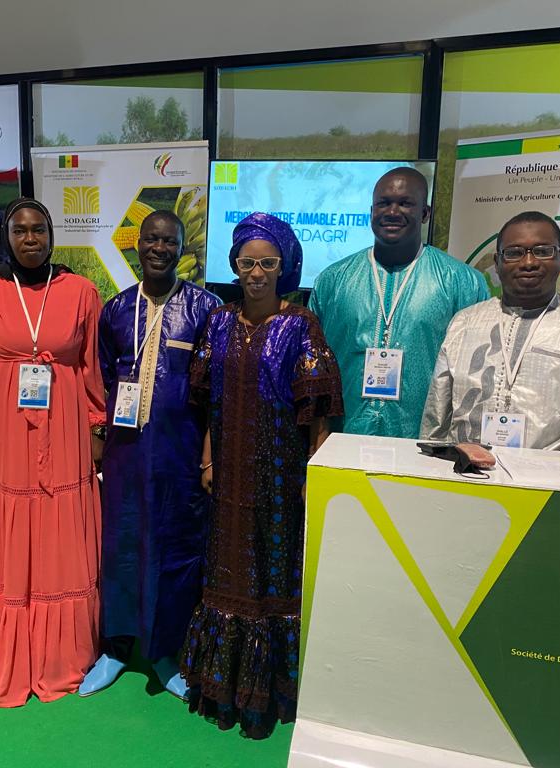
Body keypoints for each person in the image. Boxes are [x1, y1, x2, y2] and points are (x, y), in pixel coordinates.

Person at [180, 212, 343, 738]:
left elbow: (317, 407)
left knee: (274, 573)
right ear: (233, 265)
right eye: (246, 262)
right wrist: (208, 459)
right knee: (226, 569)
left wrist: (313, 470)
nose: (255, 273)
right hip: (228, 472)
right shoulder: (218, 321)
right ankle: (220, 687)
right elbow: (207, 401)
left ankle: (269, 694)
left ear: (283, 266)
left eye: (267, 263)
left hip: (280, 476)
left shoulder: (302, 324)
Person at [80, 210, 220, 698]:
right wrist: (99, 441)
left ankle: (165, 653)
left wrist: (208, 456)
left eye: (170, 241)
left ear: (182, 249)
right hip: (126, 455)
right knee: (121, 546)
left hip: (180, 456)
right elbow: (101, 379)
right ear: (137, 244)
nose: (160, 248)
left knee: (174, 550)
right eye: (152, 239)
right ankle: (116, 649)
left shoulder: (205, 309)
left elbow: (215, 391)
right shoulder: (116, 310)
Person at [0, 197, 107, 707]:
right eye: (20, 230)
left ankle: (61, 656)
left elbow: (92, 366)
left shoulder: (81, 291)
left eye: (39, 230)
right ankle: (10, 652)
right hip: (3, 433)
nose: (30, 239)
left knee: (60, 532)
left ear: (52, 236)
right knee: (10, 533)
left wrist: (97, 426)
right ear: (7, 237)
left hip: (65, 430)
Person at [421, 211, 560, 454]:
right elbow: (436, 421)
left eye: (542, 251)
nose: (529, 262)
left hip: (548, 476)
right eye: (514, 253)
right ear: (498, 262)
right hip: (463, 472)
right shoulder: (466, 322)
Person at [309, 167, 488, 438]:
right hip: (342, 436)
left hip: (424, 442)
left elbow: (476, 374)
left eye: (405, 203)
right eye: (383, 203)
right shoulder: (333, 280)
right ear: (371, 211)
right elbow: (312, 368)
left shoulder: (462, 282)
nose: (392, 212)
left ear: (425, 213)